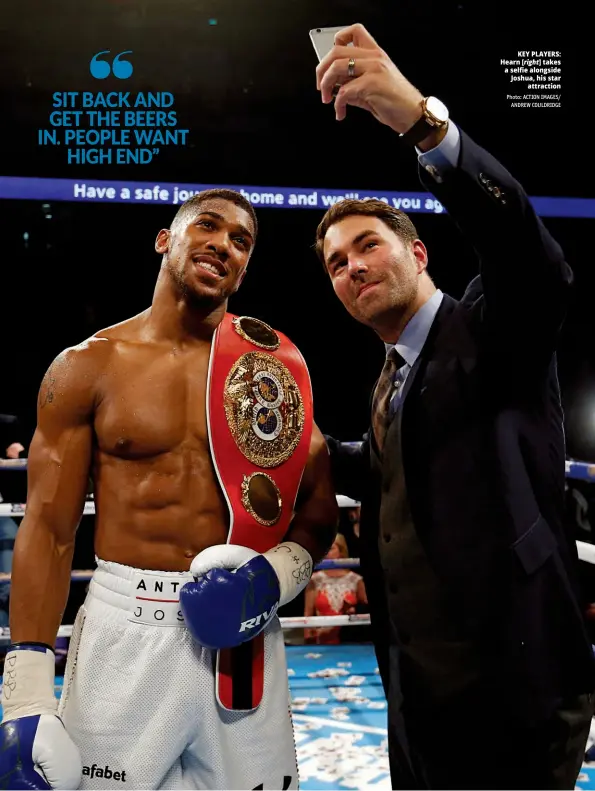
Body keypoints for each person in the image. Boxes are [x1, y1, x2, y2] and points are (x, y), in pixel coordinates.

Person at [315, 23, 595, 791]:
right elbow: (390, 474)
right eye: (336, 264)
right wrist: (287, 442)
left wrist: (421, 123)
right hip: (415, 698)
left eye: (367, 245)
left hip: (519, 693)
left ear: (418, 253)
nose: (352, 267)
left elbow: (531, 257)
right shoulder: (386, 381)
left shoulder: (492, 326)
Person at [0, 188, 339, 790]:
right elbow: (49, 530)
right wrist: (25, 694)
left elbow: (317, 507)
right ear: (166, 239)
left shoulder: (272, 372)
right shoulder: (89, 365)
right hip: (124, 626)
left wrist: (271, 578)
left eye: (241, 241)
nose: (223, 246)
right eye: (208, 227)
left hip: (245, 630)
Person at [304, 533, 367, 644]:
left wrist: (354, 610)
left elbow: (367, 608)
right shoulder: (315, 580)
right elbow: (307, 614)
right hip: (321, 639)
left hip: (351, 639)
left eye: (331, 548)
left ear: (341, 551)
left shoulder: (355, 580)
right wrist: (308, 640)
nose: (327, 552)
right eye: (325, 548)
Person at [0, 414, 26, 627]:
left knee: (8, 582)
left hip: (2, 515)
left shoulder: (7, 424)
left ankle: (4, 648)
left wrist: (13, 446)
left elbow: (11, 422)